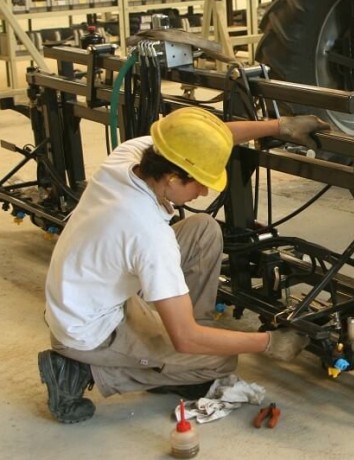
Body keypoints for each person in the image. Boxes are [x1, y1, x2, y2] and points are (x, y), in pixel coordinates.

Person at [37, 107, 331, 424]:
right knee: (217, 364)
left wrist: (278, 126)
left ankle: (177, 353)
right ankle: (78, 371)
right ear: (173, 179)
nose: (204, 191)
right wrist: (270, 343)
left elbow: (203, 138)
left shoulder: (133, 156)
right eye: (200, 183)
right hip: (89, 330)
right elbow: (185, 339)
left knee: (203, 229)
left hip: (86, 292)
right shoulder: (148, 234)